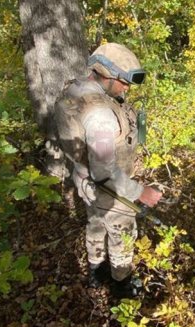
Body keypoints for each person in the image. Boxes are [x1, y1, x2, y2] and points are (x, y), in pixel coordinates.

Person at [53, 43, 163, 298]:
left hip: (83, 179)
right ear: (104, 74)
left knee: (94, 223)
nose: (127, 88)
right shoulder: (101, 114)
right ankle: (121, 283)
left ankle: (96, 270)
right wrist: (140, 191)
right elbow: (104, 172)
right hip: (108, 188)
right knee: (122, 234)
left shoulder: (76, 90)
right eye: (123, 81)